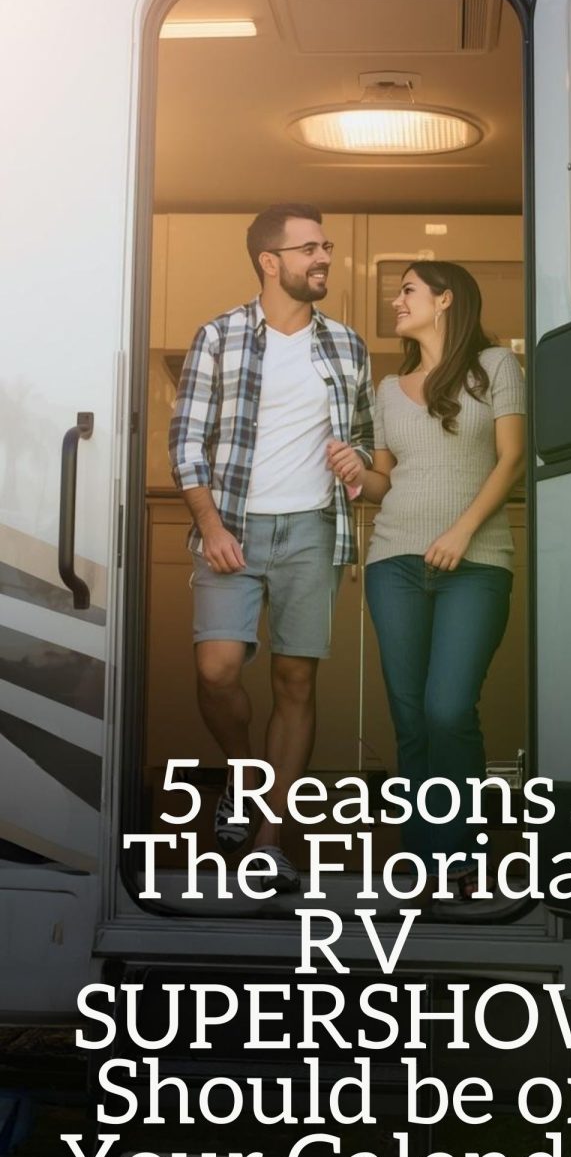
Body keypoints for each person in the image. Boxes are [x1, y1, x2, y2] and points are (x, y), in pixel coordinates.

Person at [169, 203, 374, 893]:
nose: (324, 257)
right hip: (233, 526)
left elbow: (367, 441)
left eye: (327, 246)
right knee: (219, 669)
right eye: (309, 248)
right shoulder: (220, 336)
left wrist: (357, 462)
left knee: (295, 681)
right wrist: (214, 525)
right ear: (269, 260)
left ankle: (269, 835)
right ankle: (240, 771)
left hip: (312, 530)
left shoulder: (346, 345)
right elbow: (185, 447)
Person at [327, 260, 525, 899]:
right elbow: (384, 482)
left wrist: (463, 530)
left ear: (445, 300)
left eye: (407, 290)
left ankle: (461, 856)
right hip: (395, 563)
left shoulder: (496, 368)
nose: (396, 301)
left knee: (448, 709)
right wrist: (354, 471)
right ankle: (424, 860)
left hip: (477, 562)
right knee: (411, 717)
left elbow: (513, 457)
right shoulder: (389, 388)